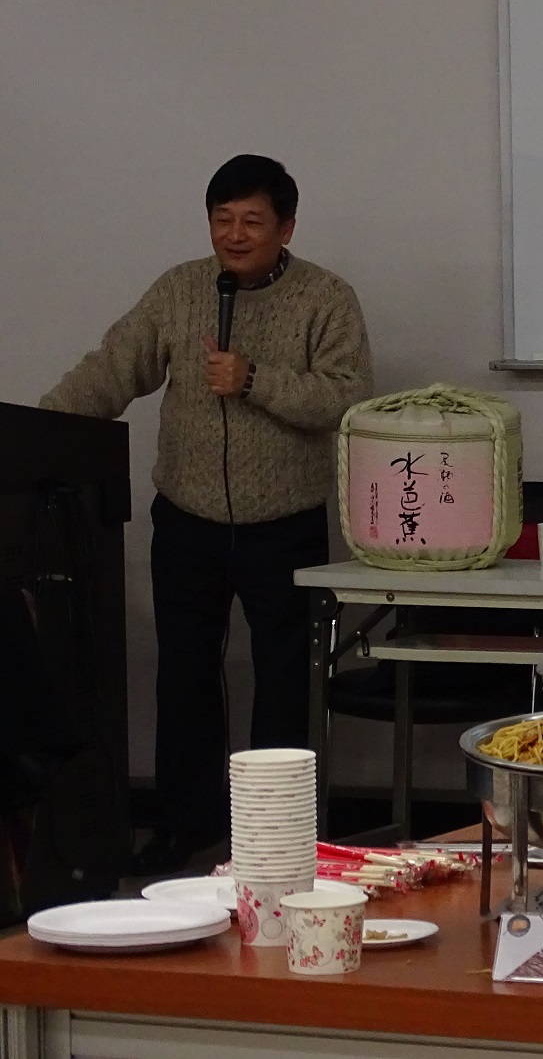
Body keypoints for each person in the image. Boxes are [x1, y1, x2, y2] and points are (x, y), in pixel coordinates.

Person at [42, 155, 373, 875]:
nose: (235, 234)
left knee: (283, 681)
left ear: (286, 228)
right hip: (186, 518)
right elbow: (112, 369)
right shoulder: (180, 289)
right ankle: (184, 826)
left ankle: (277, 833)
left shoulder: (326, 298)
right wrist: (39, 432)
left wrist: (254, 379)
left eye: (252, 221)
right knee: (185, 674)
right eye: (223, 219)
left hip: (283, 522)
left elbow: (345, 398)